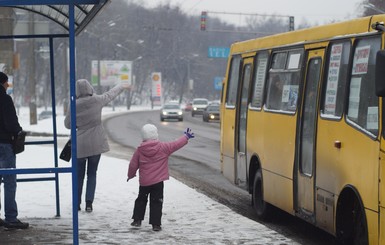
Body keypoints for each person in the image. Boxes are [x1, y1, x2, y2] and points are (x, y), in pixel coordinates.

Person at [64, 79, 131, 212]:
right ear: (90, 88)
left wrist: (78, 124)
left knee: (79, 175)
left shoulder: (73, 104)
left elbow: (67, 125)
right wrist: (121, 86)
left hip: (80, 145)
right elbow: (111, 94)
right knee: (92, 174)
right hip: (95, 144)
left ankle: (77, 204)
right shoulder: (97, 100)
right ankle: (89, 203)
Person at [127, 124, 194, 231]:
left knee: (141, 200)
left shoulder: (140, 150)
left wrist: (130, 175)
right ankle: (156, 224)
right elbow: (175, 144)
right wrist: (185, 137)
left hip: (145, 182)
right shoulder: (163, 148)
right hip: (158, 182)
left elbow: (133, 164)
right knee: (157, 202)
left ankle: (137, 220)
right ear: (155, 134)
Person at [0, 72, 29, 229]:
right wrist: (18, 131)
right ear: (3, 83)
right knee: (9, 182)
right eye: (7, 83)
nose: (7, 86)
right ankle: (11, 218)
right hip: (4, 145)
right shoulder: (5, 99)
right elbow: (11, 123)